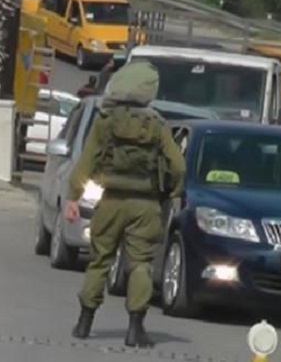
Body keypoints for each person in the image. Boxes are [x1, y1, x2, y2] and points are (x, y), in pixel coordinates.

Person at [64, 61, 186, 348]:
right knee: (141, 263)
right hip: (145, 204)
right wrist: (174, 192)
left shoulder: (105, 121)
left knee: (99, 261)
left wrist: (72, 197)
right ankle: (135, 329)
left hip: (110, 201)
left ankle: (84, 322)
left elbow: (85, 162)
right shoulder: (157, 125)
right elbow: (178, 166)